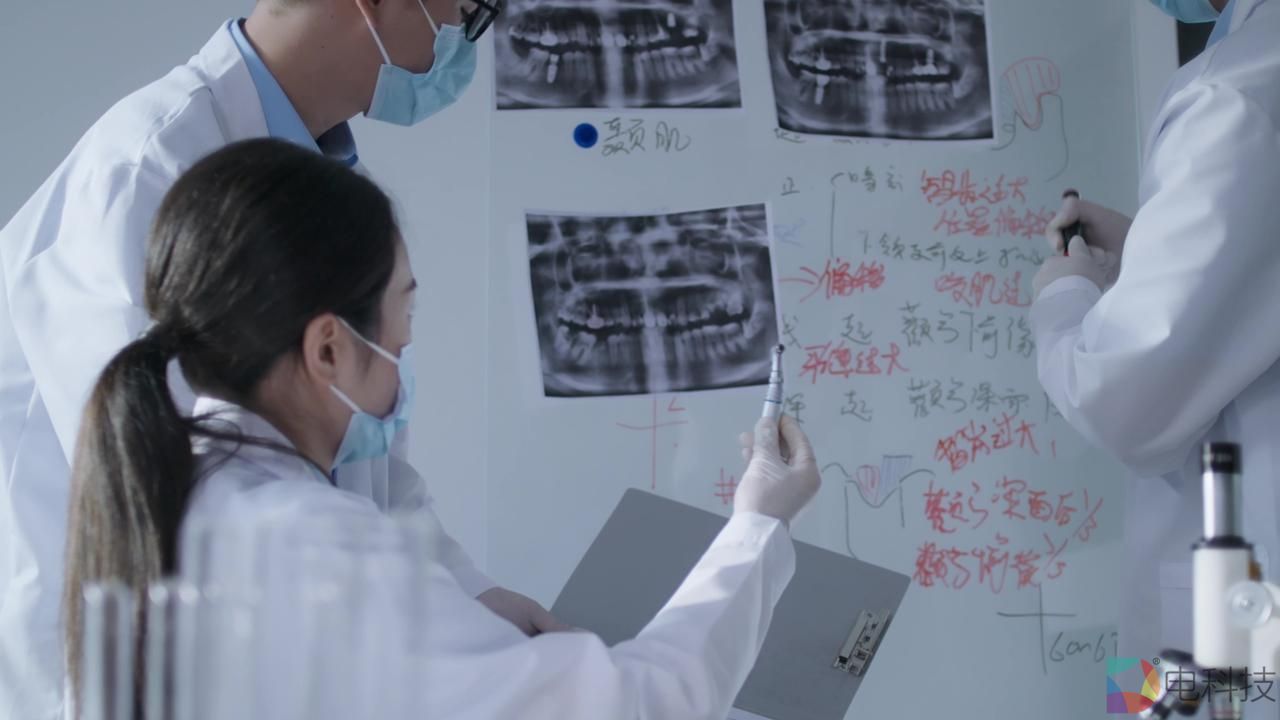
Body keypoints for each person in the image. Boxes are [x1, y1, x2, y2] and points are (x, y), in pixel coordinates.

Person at [62, 137, 822, 718]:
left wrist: (467, 608)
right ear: (328, 348)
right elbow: (635, 707)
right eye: (405, 314)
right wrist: (758, 525)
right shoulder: (311, 541)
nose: (405, 348)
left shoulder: (183, 491)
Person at [0, 2, 561, 718]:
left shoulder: (309, 178)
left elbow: (355, 459)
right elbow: (205, 486)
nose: (468, 42)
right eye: (473, 11)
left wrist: (467, 594)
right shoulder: (149, 167)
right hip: (129, 662)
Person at [1030, 0, 1279, 661]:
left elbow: (1124, 406)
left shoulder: (1232, 94)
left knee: (1178, 693)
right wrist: (1149, 248)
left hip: (1239, 599)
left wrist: (1062, 298)